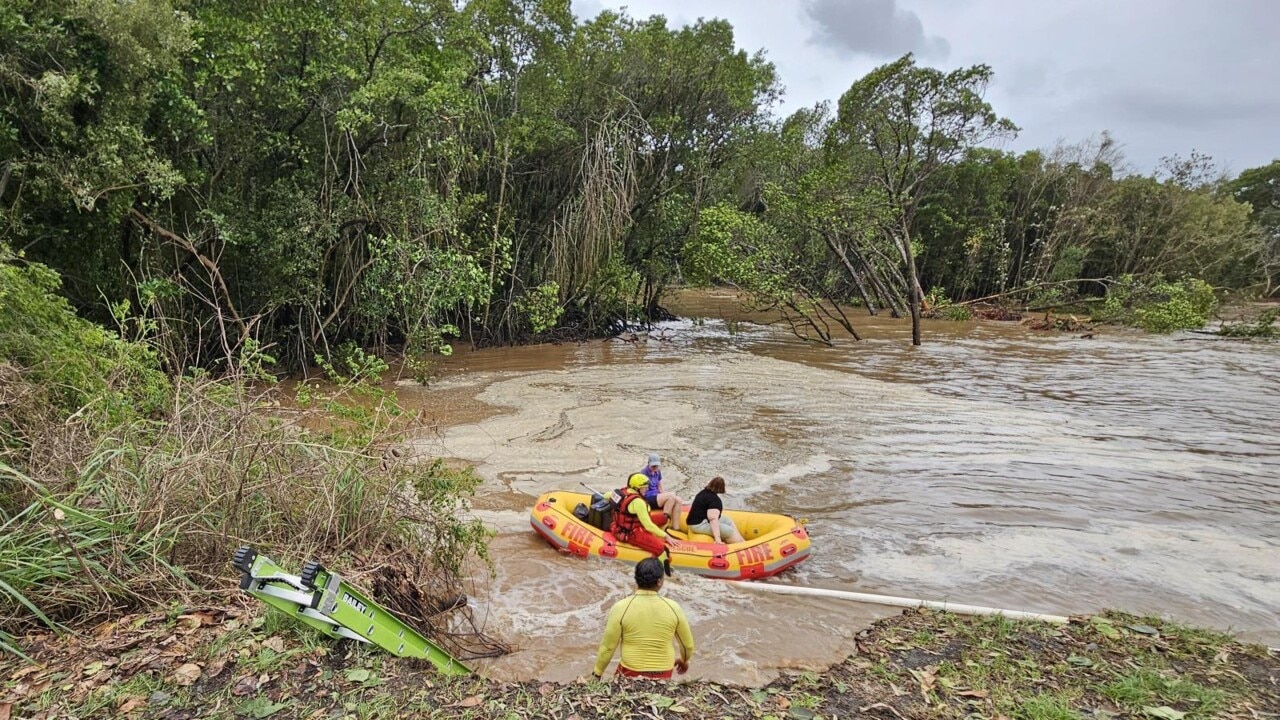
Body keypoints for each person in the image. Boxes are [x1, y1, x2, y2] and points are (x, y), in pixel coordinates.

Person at [592, 557, 694, 680]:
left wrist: (597, 673)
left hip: (631, 672)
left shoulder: (621, 607)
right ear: (659, 581)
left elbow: (608, 647)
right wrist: (684, 660)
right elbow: (687, 646)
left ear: (636, 580)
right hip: (663, 672)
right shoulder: (674, 608)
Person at [611, 473, 674, 572]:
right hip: (630, 533)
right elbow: (648, 525)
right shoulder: (638, 502)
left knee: (664, 518)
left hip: (627, 523)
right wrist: (666, 536)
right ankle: (664, 572)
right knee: (663, 550)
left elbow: (607, 496)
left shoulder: (621, 492)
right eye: (644, 487)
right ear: (637, 488)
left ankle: (656, 536)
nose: (647, 489)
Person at [685, 476, 745, 545]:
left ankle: (743, 542)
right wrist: (718, 539)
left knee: (728, 520)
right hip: (698, 525)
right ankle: (739, 545)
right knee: (729, 531)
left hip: (697, 520)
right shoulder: (714, 500)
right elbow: (713, 519)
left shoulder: (703, 493)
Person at [639, 453, 686, 532]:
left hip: (657, 497)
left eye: (657, 466)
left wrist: (664, 496)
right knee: (671, 495)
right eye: (653, 466)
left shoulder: (658, 472)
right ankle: (664, 524)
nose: (655, 468)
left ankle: (676, 528)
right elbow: (641, 491)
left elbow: (660, 487)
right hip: (648, 498)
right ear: (648, 464)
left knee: (678, 500)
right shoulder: (643, 473)